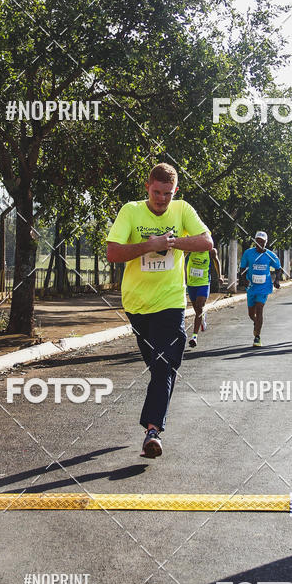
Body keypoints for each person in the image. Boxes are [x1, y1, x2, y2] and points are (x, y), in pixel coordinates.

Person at [106, 163, 212, 458]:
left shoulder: (182, 210)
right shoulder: (130, 211)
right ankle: (152, 424)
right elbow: (113, 252)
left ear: (174, 191)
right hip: (137, 304)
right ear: (147, 187)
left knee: (164, 364)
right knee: (158, 367)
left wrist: (173, 242)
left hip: (171, 302)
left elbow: (206, 241)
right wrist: (149, 244)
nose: (162, 198)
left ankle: (153, 431)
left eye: (168, 193)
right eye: (157, 192)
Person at [239, 230, 281, 347]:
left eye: (262, 242)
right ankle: (257, 324)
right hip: (251, 287)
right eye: (257, 241)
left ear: (266, 243)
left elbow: (278, 268)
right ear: (254, 241)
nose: (259, 244)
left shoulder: (270, 255)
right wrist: (244, 280)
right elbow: (242, 268)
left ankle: (257, 337)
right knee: (251, 314)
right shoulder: (248, 253)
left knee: (259, 309)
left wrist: (277, 280)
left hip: (264, 287)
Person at [186, 246, 222, 348]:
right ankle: (202, 318)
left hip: (204, 283)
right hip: (191, 284)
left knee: (199, 308)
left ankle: (194, 337)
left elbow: (216, 261)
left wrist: (220, 276)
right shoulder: (190, 249)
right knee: (197, 309)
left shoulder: (211, 251)